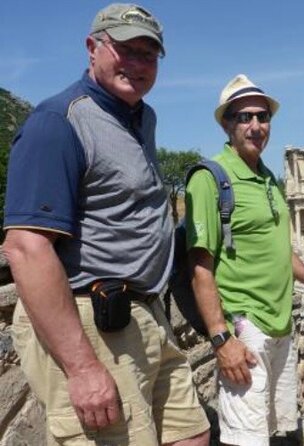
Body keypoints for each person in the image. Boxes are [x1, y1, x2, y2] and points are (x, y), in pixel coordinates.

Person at [4, 4, 211, 445]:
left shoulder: (140, 118)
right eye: (125, 49)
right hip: (91, 318)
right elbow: (25, 246)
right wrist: (81, 367)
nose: (137, 64)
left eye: (149, 54)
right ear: (93, 48)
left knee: (191, 434)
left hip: (148, 312)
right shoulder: (58, 122)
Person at [186, 74, 304, 446]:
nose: (256, 125)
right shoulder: (210, 178)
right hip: (246, 327)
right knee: (246, 437)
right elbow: (200, 268)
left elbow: (280, 250)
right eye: (244, 117)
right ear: (226, 123)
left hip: (281, 325)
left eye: (263, 117)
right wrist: (221, 339)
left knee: (276, 430)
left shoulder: (268, 179)